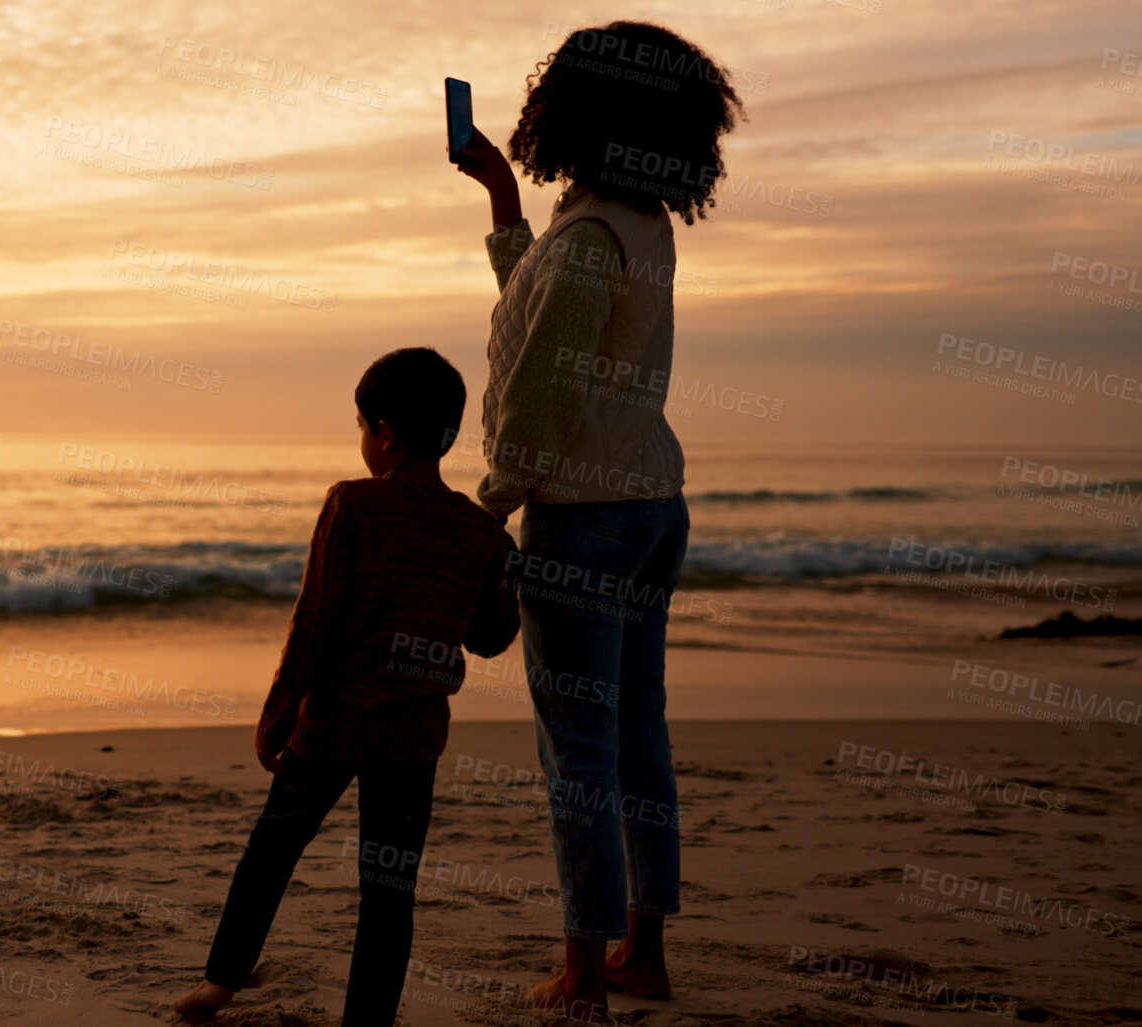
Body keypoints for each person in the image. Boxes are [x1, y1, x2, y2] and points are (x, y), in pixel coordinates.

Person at [454, 20, 745, 1020]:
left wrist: (490, 503)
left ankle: (583, 972)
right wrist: (501, 200)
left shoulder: (587, 240)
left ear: (569, 113)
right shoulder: (636, 225)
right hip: (655, 505)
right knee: (636, 735)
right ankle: (642, 951)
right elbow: (542, 314)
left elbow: (542, 389)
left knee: (576, 749)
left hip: (584, 517)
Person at [172, 348, 518, 1027]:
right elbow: (489, 637)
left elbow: (316, 622)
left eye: (361, 426)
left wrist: (276, 713)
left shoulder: (351, 504)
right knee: (389, 888)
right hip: (412, 738)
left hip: (331, 722)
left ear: (383, 433)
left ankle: (219, 983)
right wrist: (504, 559)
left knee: (272, 849)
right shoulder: (479, 531)